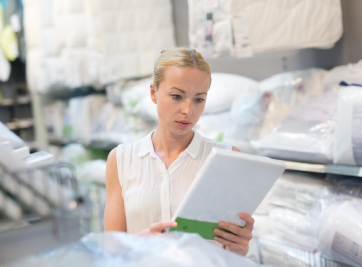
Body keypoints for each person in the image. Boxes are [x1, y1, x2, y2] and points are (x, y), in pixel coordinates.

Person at [104, 47, 254, 256]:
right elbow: (110, 249)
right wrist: (144, 239)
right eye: (177, 96)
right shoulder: (121, 159)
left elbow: (231, 248)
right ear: (154, 93)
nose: (188, 110)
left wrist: (241, 245)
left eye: (199, 99)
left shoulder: (226, 158)